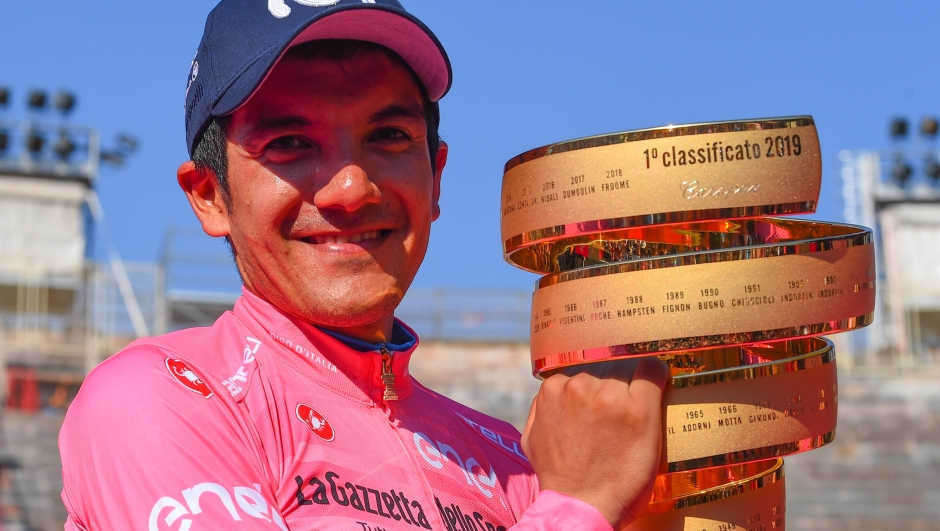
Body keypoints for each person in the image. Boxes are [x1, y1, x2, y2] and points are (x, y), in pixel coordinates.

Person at [58, 1, 668, 530]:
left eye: (390, 136)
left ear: (437, 180)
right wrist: (576, 507)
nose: (350, 189)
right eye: (290, 144)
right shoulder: (159, 397)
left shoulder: (518, 460)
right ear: (209, 196)